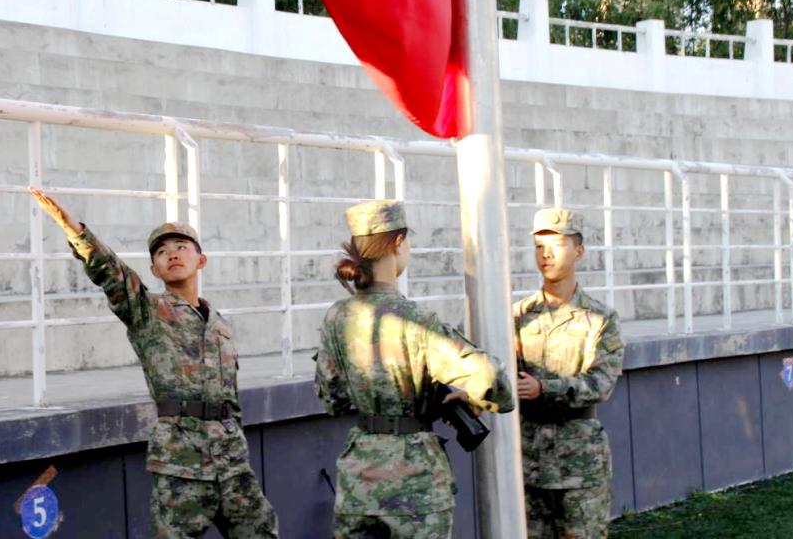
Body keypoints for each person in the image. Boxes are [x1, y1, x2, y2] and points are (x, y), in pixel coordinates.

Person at [28, 187, 278, 539]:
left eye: (181, 247)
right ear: (154, 269)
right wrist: (76, 231)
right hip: (181, 463)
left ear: (201, 260)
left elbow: (231, 398)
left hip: (232, 462)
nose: (172, 254)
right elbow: (111, 273)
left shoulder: (220, 325)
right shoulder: (148, 311)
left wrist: (236, 442)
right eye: (161, 252)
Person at [315, 199, 515, 539]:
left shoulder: (337, 316)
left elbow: (331, 399)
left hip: (359, 479)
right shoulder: (416, 320)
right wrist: (473, 399)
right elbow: (491, 379)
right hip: (415, 484)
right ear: (397, 242)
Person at [514, 207, 625, 538]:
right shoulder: (518, 316)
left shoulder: (599, 318)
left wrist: (544, 388)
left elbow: (600, 383)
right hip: (528, 461)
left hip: (580, 464)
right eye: (539, 246)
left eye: (558, 244)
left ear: (579, 250)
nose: (546, 254)